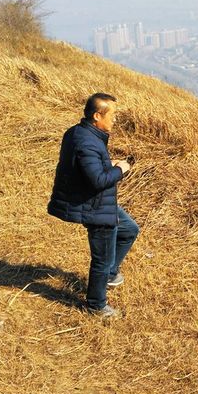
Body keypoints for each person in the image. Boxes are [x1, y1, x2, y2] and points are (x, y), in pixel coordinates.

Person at [47, 92, 139, 318]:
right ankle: (96, 305)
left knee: (129, 229)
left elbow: (87, 168)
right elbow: (97, 180)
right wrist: (120, 169)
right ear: (98, 115)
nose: (115, 120)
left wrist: (108, 163)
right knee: (102, 258)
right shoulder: (87, 141)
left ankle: (108, 274)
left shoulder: (79, 133)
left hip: (95, 200)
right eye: (113, 115)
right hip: (94, 205)